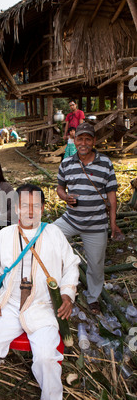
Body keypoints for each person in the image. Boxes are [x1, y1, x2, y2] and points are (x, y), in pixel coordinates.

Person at [0, 184, 80, 400]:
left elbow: (71, 265)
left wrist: (67, 293)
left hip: (42, 306)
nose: (31, 210)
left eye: (36, 205)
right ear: (17, 207)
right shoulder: (5, 235)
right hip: (7, 304)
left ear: (43, 207)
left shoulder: (53, 234)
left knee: (46, 357)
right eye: (25, 205)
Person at [54, 122, 123, 315]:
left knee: (96, 265)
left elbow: (111, 195)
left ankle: (93, 298)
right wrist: (64, 197)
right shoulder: (66, 162)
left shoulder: (105, 163)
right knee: (48, 236)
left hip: (96, 224)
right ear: (74, 140)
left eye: (87, 139)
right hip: (71, 220)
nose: (83, 142)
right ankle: (56, 283)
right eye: (80, 139)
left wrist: (113, 223)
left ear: (93, 141)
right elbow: (60, 187)